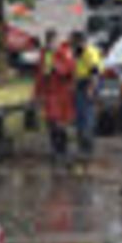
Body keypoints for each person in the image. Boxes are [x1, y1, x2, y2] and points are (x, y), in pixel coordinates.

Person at [34, 31, 76, 162]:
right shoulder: (45, 54)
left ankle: (63, 150)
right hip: (50, 93)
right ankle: (55, 149)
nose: (51, 45)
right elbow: (40, 75)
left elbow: (70, 70)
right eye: (49, 42)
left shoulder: (64, 52)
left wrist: (56, 66)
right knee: (52, 121)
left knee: (61, 123)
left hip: (62, 93)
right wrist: (37, 93)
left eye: (53, 42)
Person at [71, 30, 103, 159]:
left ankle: (87, 148)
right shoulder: (79, 52)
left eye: (73, 41)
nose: (72, 44)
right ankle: (82, 146)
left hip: (88, 83)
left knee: (87, 115)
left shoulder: (89, 52)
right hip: (81, 83)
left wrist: (91, 89)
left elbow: (95, 72)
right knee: (80, 115)